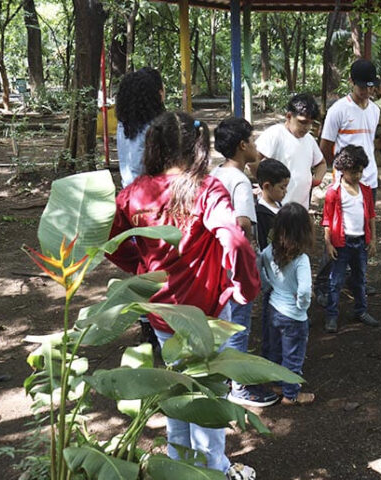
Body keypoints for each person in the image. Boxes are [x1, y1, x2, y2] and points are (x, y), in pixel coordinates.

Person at [106, 111, 258, 479]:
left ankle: (177, 464)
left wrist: (142, 270)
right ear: (198, 147)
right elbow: (235, 239)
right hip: (204, 316)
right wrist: (243, 285)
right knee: (207, 394)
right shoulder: (207, 189)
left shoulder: (133, 193)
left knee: (176, 386)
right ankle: (214, 470)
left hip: (160, 313)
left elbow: (114, 244)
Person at [212, 117, 278, 408]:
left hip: (215, 258)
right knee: (239, 322)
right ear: (242, 146)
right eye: (252, 140)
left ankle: (223, 376)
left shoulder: (215, 173)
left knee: (224, 320)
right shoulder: (239, 179)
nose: (255, 145)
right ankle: (239, 385)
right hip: (236, 261)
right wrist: (252, 256)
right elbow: (242, 223)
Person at [315, 59, 381, 303]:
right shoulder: (338, 110)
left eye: (370, 86)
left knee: (361, 233)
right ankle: (323, 284)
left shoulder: (375, 110)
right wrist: (339, 174)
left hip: (369, 180)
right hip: (343, 182)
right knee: (335, 234)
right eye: (361, 86)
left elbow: (370, 144)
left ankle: (356, 281)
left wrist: (366, 174)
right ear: (351, 82)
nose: (366, 91)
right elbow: (325, 146)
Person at [114, 66, 166, 350]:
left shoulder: (125, 125)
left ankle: (147, 325)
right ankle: (160, 326)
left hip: (131, 201)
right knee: (158, 266)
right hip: (153, 202)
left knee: (143, 267)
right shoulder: (154, 129)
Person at [259, 203, 316, 405]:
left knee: (275, 350)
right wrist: (302, 306)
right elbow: (304, 290)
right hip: (294, 316)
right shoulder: (301, 260)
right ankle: (291, 394)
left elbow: (261, 270)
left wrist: (268, 287)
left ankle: (276, 384)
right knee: (293, 355)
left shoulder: (268, 251)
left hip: (274, 309)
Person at [321, 145, 379, 333]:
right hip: (342, 243)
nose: (358, 176)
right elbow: (327, 220)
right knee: (335, 281)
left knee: (360, 278)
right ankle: (332, 315)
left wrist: (373, 240)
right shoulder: (334, 192)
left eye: (361, 171)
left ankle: (361, 311)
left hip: (361, 242)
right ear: (343, 170)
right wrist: (328, 244)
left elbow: (371, 215)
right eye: (354, 172)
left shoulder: (365, 190)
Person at [255, 93, 325, 210]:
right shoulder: (275, 134)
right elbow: (253, 160)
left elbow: (321, 163)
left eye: (310, 123)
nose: (307, 127)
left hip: (300, 209)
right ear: (289, 116)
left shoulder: (309, 139)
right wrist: (265, 185)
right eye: (302, 122)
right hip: (276, 209)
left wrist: (315, 180)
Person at [255, 159, 291, 360]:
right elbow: (263, 247)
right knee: (272, 322)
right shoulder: (261, 215)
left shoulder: (278, 205)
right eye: (282, 187)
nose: (285, 191)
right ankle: (271, 360)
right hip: (273, 276)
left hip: (284, 274)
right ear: (267, 186)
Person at [115, 67, 165, 188]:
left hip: (128, 192)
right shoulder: (156, 128)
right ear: (156, 94)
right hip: (151, 195)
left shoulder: (123, 125)